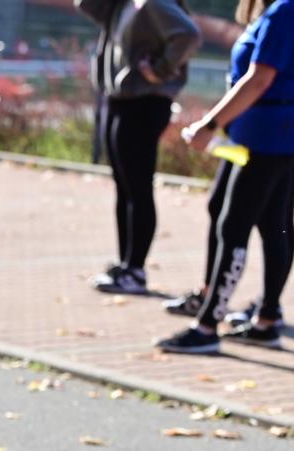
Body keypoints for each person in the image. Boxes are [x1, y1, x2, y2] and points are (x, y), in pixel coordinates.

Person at [158, 0, 294, 353]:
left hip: (267, 138)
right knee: (268, 223)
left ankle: (207, 327)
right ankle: (266, 321)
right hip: (261, 135)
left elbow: (259, 79)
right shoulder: (276, 11)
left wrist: (209, 124)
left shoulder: (284, 10)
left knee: (235, 226)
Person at [76, 0, 201, 295]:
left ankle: (136, 270)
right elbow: (88, 6)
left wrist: (160, 70)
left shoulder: (154, 3)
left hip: (144, 102)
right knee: (124, 188)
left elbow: (189, 35)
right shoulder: (122, 4)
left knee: (138, 188)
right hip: (119, 99)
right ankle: (126, 264)